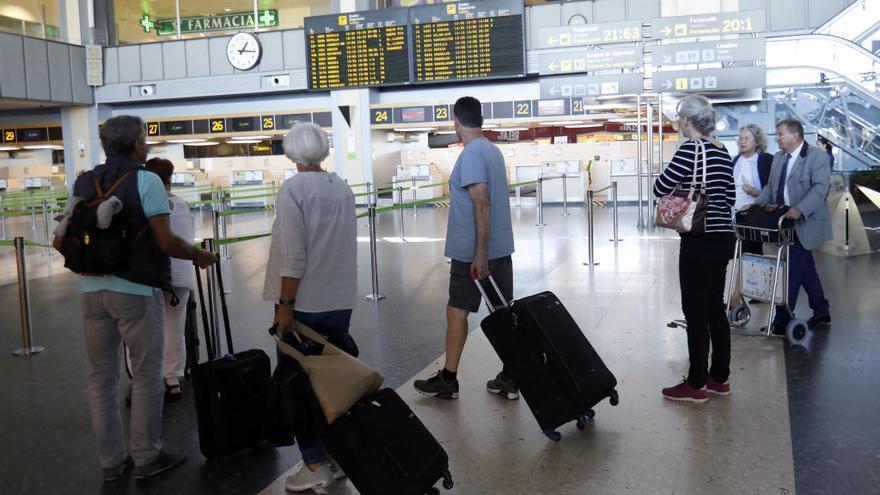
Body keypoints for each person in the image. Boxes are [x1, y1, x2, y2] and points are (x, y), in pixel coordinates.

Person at [53, 115, 217, 482]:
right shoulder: (147, 181)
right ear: (137, 144)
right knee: (146, 376)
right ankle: (146, 456)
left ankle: (111, 462)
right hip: (136, 289)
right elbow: (165, 241)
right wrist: (199, 255)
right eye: (145, 139)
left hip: (91, 289)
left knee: (101, 377)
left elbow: (65, 233)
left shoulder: (83, 180)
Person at [263, 122, 356, 493]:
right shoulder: (341, 188)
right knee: (334, 383)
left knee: (299, 386)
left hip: (306, 304)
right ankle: (334, 455)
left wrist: (285, 304)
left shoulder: (293, 189)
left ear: (292, 152)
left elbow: (293, 254)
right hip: (339, 299)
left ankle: (314, 462)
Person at [413, 96, 517, 401]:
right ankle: (511, 376)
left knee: (456, 311)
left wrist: (479, 255)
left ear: (456, 122)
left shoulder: (471, 154)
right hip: (500, 248)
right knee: (501, 313)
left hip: (473, 253)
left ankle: (448, 379)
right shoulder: (492, 151)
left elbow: (481, 204)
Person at [653, 95, 736, 403]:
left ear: (685, 120)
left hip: (698, 239)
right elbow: (729, 196)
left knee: (695, 311)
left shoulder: (690, 148)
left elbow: (660, 187)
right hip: (723, 237)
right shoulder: (721, 149)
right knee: (715, 308)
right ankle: (720, 378)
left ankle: (697, 383)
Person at [753, 119, 832, 334]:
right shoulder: (779, 158)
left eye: (780, 134)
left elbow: (820, 189)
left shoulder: (818, 157)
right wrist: (753, 206)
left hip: (805, 220)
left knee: (792, 270)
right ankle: (822, 310)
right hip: (784, 221)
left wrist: (800, 209)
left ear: (795, 136)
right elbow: (770, 187)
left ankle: (782, 320)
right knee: (804, 268)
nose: (777, 138)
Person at [144, 157, 195, 398]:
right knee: (174, 328)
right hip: (181, 275)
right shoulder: (182, 205)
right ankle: (173, 379)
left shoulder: (143, 204)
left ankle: (147, 379)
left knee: (147, 329)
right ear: (170, 178)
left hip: (152, 276)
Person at [732, 124, 774, 255]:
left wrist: (756, 193)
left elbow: (773, 191)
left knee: (749, 253)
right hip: (734, 215)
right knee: (737, 254)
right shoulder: (736, 160)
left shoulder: (765, 160)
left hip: (753, 216)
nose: (742, 141)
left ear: (756, 141)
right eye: (740, 138)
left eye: (747, 138)